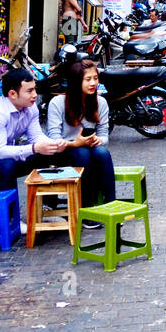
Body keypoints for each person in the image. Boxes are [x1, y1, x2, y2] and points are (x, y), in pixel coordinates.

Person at [0, 68, 68, 229]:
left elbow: (36, 137)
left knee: (48, 154)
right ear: (12, 94)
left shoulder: (30, 108)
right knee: (7, 164)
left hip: (6, 159)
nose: (35, 95)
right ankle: (10, 220)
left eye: (35, 90)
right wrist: (34, 148)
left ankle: (47, 209)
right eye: (29, 91)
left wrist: (52, 144)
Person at [45, 59, 115, 223]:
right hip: (62, 152)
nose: (93, 83)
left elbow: (105, 136)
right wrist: (75, 143)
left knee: (102, 152)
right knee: (82, 153)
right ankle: (86, 210)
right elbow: (54, 139)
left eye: (95, 78)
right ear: (76, 81)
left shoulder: (101, 103)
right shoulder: (58, 103)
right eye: (88, 79)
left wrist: (97, 140)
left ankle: (111, 205)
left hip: (89, 148)